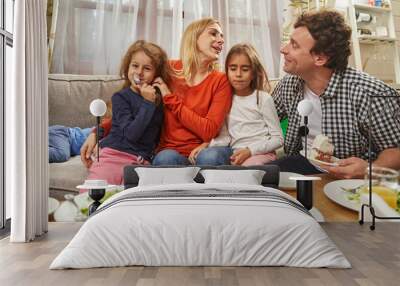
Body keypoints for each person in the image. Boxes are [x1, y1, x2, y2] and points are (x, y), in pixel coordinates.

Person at [81, 18, 232, 167]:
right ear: (194, 37)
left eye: (222, 36)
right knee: (165, 160)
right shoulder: (169, 70)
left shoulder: (221, 80)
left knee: (209, 158)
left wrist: (169, 97)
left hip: (204, 151)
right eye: (213, 34)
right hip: (171, 152)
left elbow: (208, 131)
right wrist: (96, 133)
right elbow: (132, 106)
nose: (220, 40)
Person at [271, 9, 400, 179]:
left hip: (350, 179)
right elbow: (265, 120)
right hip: (300, 164)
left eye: (294, 45)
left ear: (320, 58)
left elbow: (396, 150)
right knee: (256, 178)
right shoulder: (289, 84)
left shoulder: (370, 93)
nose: (283, 49)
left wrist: (369, 169)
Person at [83, 40, 172, 188]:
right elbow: (131, 134)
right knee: (94, 196)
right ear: (127, 67)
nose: (139, 72)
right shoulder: (121, 98)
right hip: (114, 155)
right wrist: (148, 103)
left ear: (157, 74)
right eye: (135, 65)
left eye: (147, 68)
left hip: (140, 161)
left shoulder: (159, 101)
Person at [189, 43, 284, 166]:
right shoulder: (224, 99)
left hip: (260, 153)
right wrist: (207, 144)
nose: (238, 74)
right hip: (234, 152)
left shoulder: (263, 99)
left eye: (245, 69)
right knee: (207, 156)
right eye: (233, 69)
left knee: (248, 167)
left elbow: (278, 139)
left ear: (253, 73)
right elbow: (224, 137)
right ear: (227, 71)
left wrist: (250, 151)